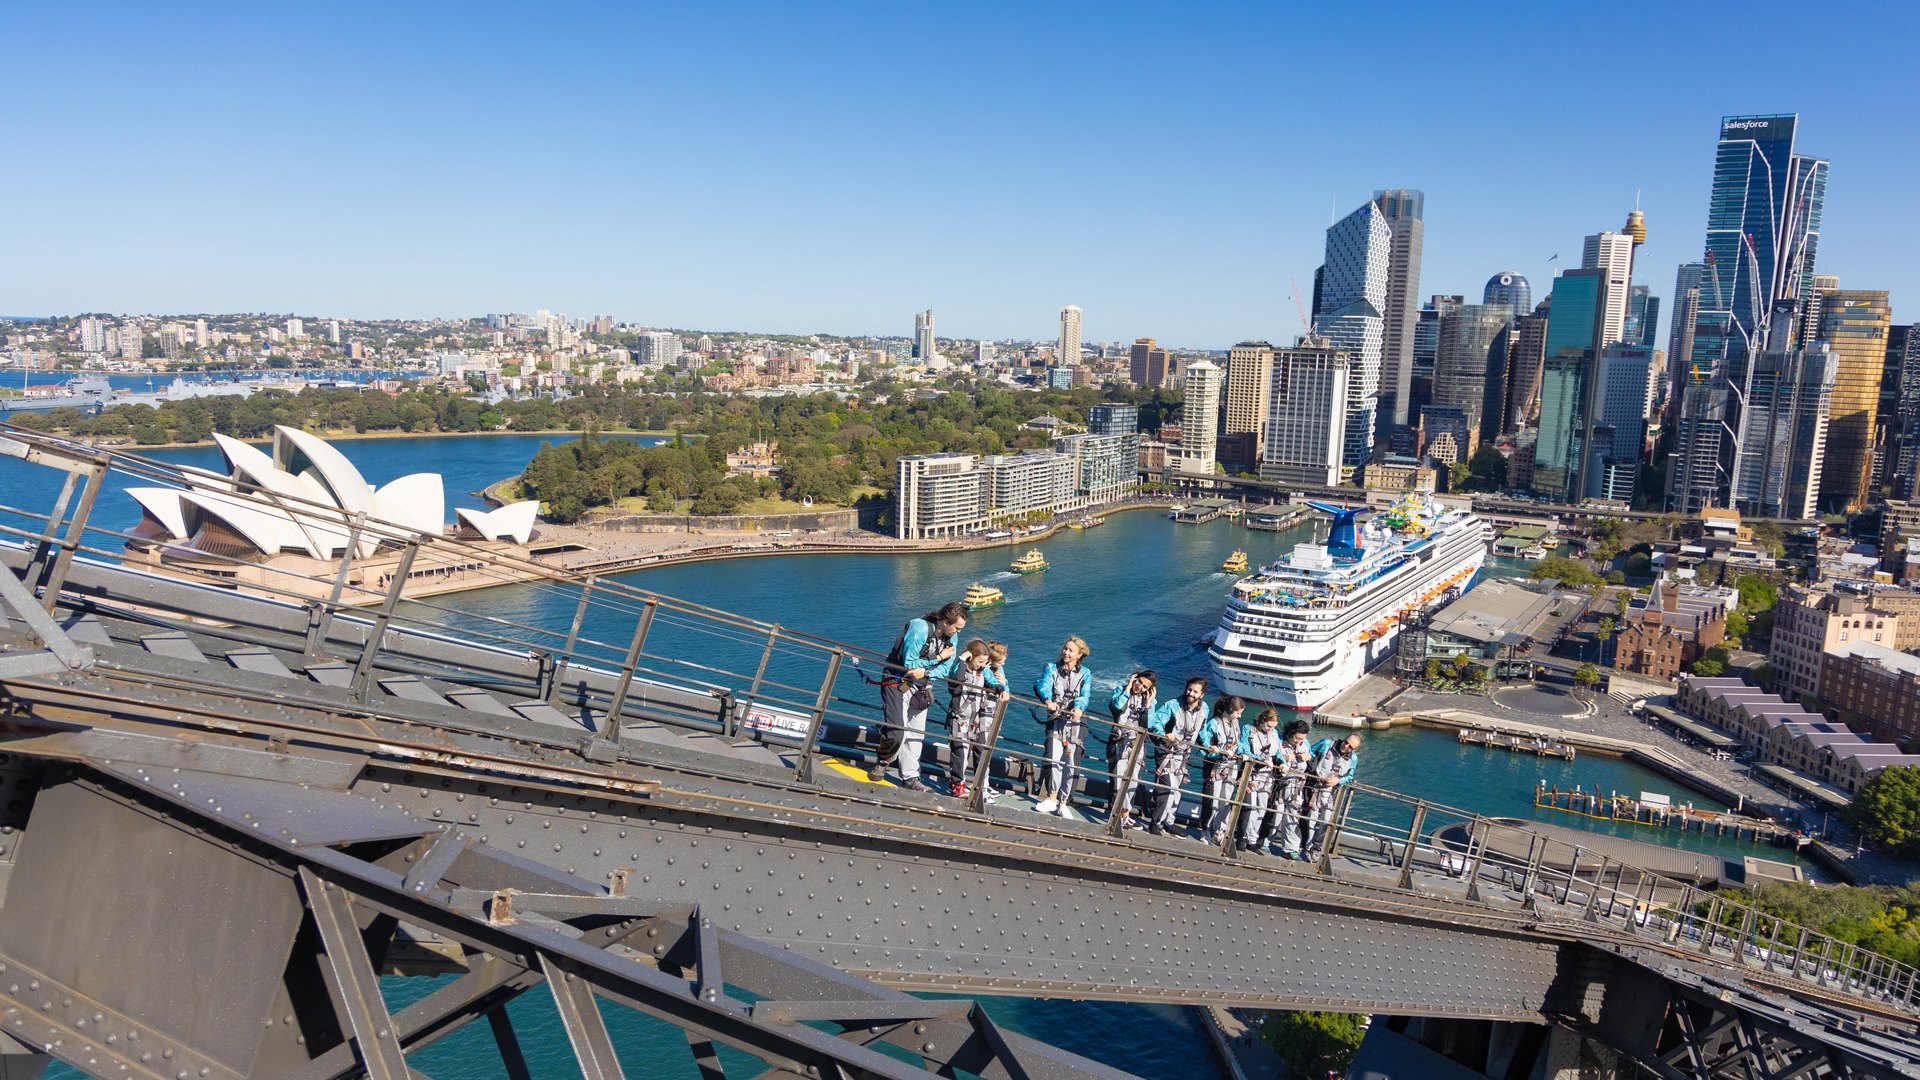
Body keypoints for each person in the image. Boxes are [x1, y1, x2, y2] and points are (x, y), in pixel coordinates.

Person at [871, 601, 967, 792]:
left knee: (916, 734)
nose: (959, 632)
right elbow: (909, 662)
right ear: (946, 622)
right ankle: (883, 759)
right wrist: (937, 659)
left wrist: (925, 673)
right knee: (898, 729)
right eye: (957, 628)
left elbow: (946, 669)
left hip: (922, 686)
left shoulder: (951, 639)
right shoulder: (919, 628)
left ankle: (910, 777)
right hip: (898, 682)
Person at [1032, 637, 1094, 817]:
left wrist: (1078, 707)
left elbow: (1085, 694)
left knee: (1071, 763)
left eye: (1071, 650)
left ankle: (1063, 801)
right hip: (1056, 717)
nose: (1066, 653)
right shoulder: (1052, 668)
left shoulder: (1086, 673)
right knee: (1053, 758)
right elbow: (1043, 684)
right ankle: (1051, 798)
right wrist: (1048, 700)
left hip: (1076, 722)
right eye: (1065, 649)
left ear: (1079, 654)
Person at [1144, 677, 1209, 835]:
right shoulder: (1173, 705)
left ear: (1202, 694)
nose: (1190, 693)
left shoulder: (1204, 709)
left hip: (1184, 756)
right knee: (1168, 789)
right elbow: (1156, 723)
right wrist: (1165, 734)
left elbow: (1202, 731)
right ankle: (1155, 823)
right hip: (1167, 752)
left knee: (1177, 792)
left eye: (1195, 691)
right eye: (1189, 689)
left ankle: (1169, 822)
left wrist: (1208, 746)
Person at [945, 639, 1008, 800]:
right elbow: (956, 680)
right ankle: (957, 784)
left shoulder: (981, 671)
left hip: (974, 718)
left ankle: (971, 784)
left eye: (984, 662)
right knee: (960, 751)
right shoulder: (960, 669)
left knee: (974, 749)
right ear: (970, 657)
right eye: (979, 661)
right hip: (959, 717)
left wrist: (1001, 687)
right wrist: (961, 659)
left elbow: (991, 681)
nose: (981, 665)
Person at [1106, 669, 1157, 829]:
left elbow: (1150, 724)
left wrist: (1148, 705)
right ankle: (1116, 815)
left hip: (1137, 745)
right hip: (1118, 742)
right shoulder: (1121, 691)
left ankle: (1126, 814)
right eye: (1139, 682)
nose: (1140, 687)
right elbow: (1117, 706)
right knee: (1118, 779)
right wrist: (1128, 688)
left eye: (1145, 686)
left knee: (1133, 780)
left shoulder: (1150, 702)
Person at [1302, 733, 1362, 860]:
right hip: (1314, 788)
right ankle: (1306, 847)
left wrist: (1338, 781)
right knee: (1310, 818)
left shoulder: (1353, 759)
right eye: (1346, 742)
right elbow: (1311, 753)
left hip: (1331, 793)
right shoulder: (1326, 744)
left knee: (1325, 820)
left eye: (1350, 747)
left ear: (1354, 750)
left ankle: (1316, 847)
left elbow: (1350, 776)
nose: (1346, 746)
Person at [1197, 694, 1247, 844]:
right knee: (1212, 800)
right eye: (1238, 713)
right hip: (1216, 767)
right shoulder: (1214, 723)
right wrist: (1213, 749)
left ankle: (1219, 831)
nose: (1239, 716)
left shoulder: (1236, 724)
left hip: (1231, 768)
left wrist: (1243, 752)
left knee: (1225, 802)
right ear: (1230, 709)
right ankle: (1205, 830)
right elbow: (1203, 741)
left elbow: (1240, 741)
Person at [1235, 709, 1282, 851]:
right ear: (1262, 721)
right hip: (1251, 772)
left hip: (1267, 776)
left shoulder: (1273, 734)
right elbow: (1243, 747)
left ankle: (1252, 839)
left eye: (1273, 727)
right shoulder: (1248, 729)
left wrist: (1282, 762)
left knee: (1261, 809)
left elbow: (1278, 751)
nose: (1271, 729)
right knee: (1249, 807)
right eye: (1269, 726)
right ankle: (1241, 838)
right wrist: (1260, 759)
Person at [1270, 719, 1315, 858]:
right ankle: (1265, 840)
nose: (1298, 741)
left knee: (1292, 817)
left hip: (1298, 786)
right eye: (1296, 738)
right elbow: (1272, 757)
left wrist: (1309, 758)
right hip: (1281, 784)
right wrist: (1284, 757)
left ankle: (1291, 848)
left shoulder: (1305, 744)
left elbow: (1313, 764)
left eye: (1301, 739)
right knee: (1275, 814)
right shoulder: (1279, 741)